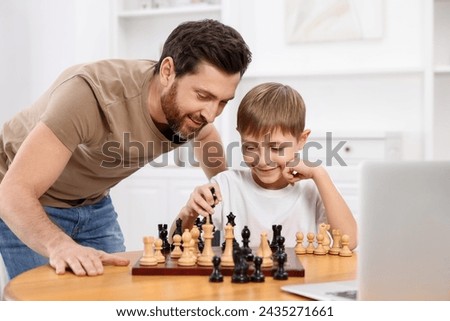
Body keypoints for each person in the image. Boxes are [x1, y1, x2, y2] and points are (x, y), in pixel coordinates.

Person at [0, 19, 252, 283]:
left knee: (115, 298)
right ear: (168, 71)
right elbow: (13, 192)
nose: (211, 114)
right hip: (26, 199)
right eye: (203, 96)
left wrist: (225, 189)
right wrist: (59, 245)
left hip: (94, 203)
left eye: (223, 102)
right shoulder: (88, 95)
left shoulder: (193, 115)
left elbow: (206, 135)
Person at [171, 82, 357, 250]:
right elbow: (173, 245)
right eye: (250, 147)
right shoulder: (226, 185)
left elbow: (350, 241)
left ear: (301, 140)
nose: (262, 160)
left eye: (276, 148)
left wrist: (319, 174)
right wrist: (189, 211)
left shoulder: (313, 188)